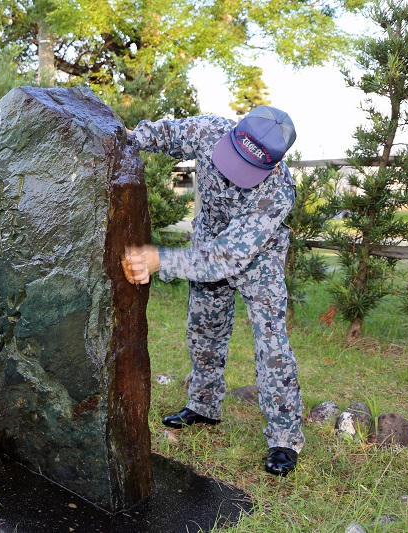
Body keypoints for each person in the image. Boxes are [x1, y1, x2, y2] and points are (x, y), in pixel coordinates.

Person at [125, 106, 303, 476]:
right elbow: (165, 134)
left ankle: (284, 438)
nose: (231, 173)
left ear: (272, 166)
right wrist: (126, 139)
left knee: (272, 345)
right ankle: (204, 405)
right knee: (204, 327)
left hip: (258, 257)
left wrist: (162, 260)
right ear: (233, 133)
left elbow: (225, 258)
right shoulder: (207, 129)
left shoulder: (277, 192)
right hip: (208, 240)